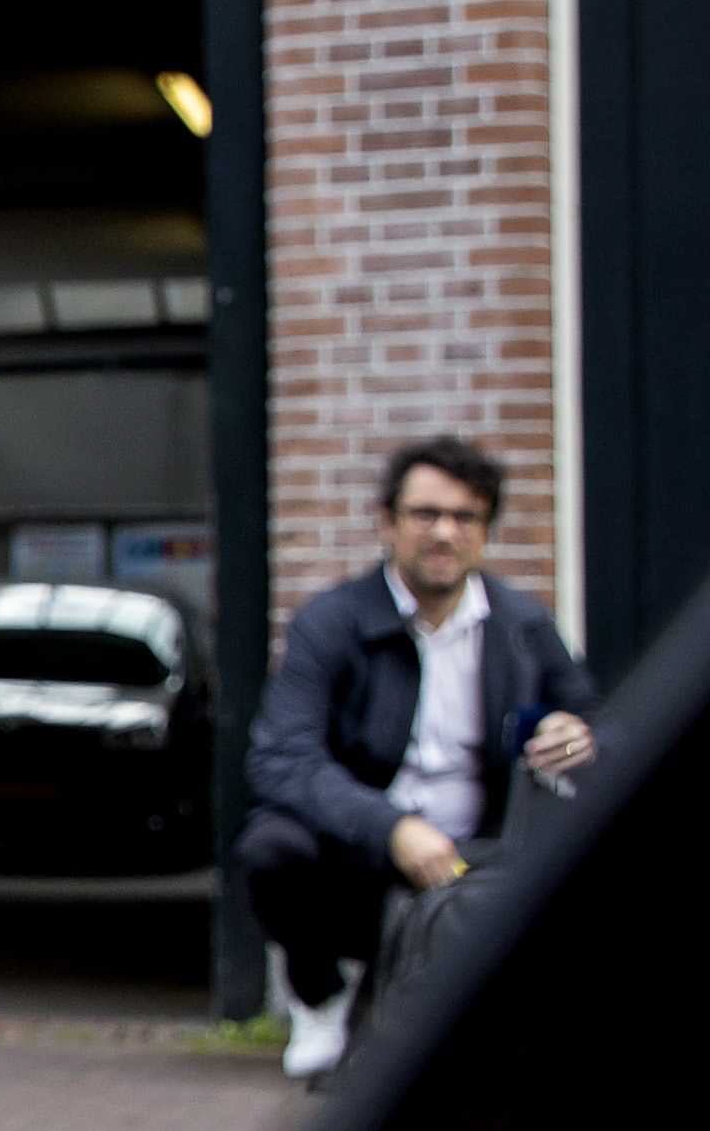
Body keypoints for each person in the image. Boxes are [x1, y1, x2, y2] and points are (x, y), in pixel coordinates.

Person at [239, 435, 603, 1081]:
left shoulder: (520, 625)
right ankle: (320, 995)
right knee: (271, 848)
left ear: (485, 531)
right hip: (362, 854)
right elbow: (281, 758)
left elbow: (602, 720)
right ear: (388, 523)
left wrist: (577, 733)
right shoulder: (332, 622)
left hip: (478, 855)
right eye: (426, 515)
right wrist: (393, 829)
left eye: (464, 517)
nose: (444, 533)